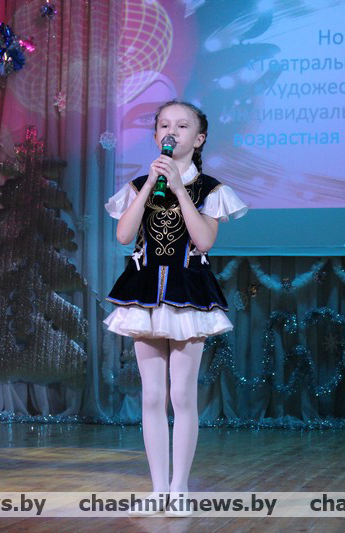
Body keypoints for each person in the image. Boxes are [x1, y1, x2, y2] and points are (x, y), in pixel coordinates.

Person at [103, 100, 248, 517]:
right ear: (155, 137)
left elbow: (204, 241)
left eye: (182, 126)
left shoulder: (210, 189)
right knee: (152, 395)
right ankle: (157, 488)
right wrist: (152, 182)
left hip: (188, 294)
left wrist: (180, 189)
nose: (172, 131)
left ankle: (180, 487)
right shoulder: (139, 185)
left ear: (198, 139)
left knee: (181, 393)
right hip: (145, 291)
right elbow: (124, 235)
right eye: (165, 125)